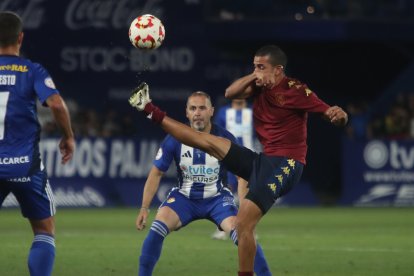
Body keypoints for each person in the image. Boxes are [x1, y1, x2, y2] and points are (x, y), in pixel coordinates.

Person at [129, 44, 348, 276]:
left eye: (261, 67)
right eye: (254, 66)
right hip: (263, 161)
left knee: (242, 226)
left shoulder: (296, 90)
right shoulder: (258, 87)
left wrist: (339, 117)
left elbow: (330, 113)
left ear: (278, 70)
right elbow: (230, 93)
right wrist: (256, 75)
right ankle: (149, 108)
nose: (256, 71)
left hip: (287, 164)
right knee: (206, 140)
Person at [135, 91, 271, 276]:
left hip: (217, 199)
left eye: (202, 108)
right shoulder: (174, 138)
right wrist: (144, 207)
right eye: (193, 108)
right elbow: (156, 172)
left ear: (211, 111)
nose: (197, 113)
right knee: (157, 227)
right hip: (184, 198)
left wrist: (244, 212)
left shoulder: (225, 138)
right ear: (187, 113)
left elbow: (242, 177)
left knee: (243, 234)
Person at [0, 11, 75, 276]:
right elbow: (55, 103)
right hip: (25, 167)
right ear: (20, 38)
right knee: (44, 230)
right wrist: (68, 136)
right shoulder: (31, 70)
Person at [211, 98, 255, 240]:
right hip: (228, 157)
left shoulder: (253, 112)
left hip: (249, 157)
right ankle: (222, 228)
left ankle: (248, 228)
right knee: (225, 191)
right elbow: (216, 132)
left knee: (248, 197)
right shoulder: (224, 112)